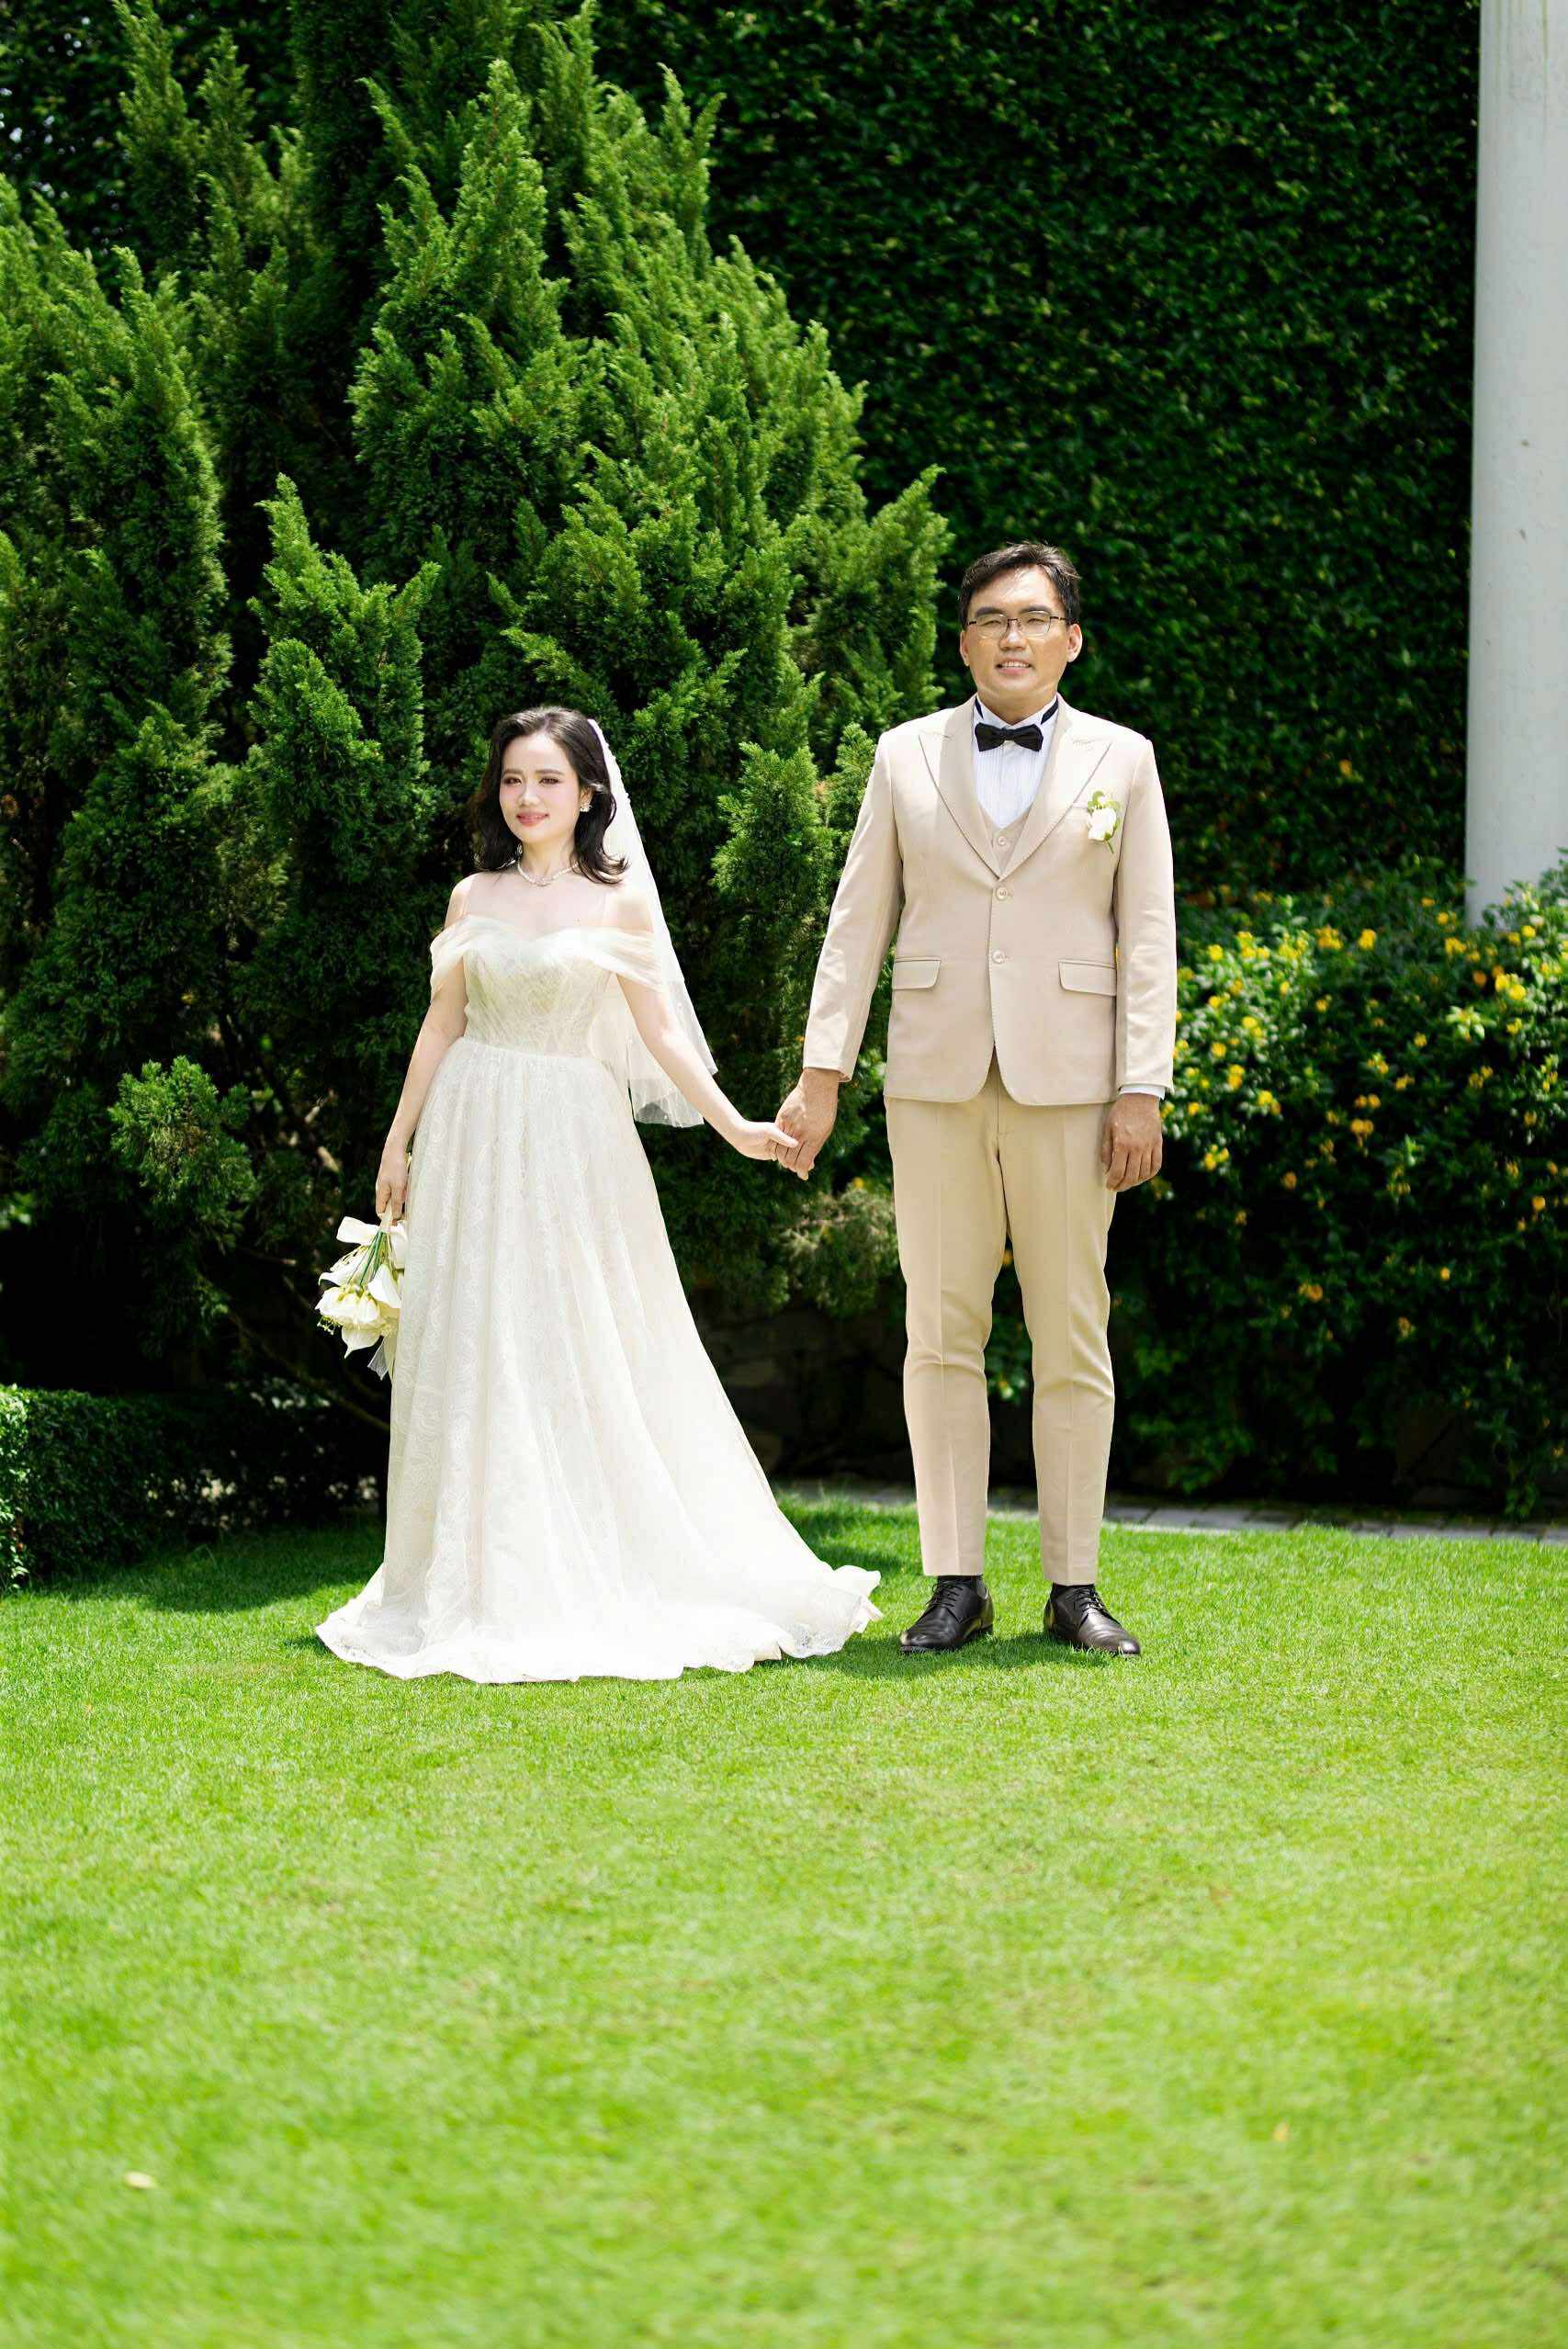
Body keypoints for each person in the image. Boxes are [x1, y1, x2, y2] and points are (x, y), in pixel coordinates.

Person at [315, 707, 880, 1682]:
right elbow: (442, 1024)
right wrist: (398, 1142)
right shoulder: (471, 895)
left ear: (587, 794)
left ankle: (578, 1556)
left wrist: (736, 1126)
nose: (527, 797)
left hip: (570, 1138)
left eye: (548, 780)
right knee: (476, 1331)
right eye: (511, 780)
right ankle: (467, 1573)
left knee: (570, 1329)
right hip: (471, 1126)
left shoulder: (617, 905)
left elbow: (661, 1036)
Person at [776, 541, 1177, 1656]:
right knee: (940, 1331)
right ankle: (956, 1581)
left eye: (1034, 617)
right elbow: (856, 925)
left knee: (1073, 1331)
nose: (1012, 636)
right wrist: (821, 1074)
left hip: (1074, 1085)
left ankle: (1074, 1587)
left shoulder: (1125, 760)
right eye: (992, 618)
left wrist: (1140, 1086)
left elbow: (1149, 935)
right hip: (936, 1080)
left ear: (1071, 639)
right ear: (963, 642)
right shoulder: (903, 755)